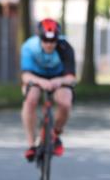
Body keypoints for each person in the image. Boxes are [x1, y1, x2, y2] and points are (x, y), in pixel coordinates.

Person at [20, 18, 76, 161]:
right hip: (36, 76)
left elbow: (71, 78)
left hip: (58, 77)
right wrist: (40, 82)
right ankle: (31, 144)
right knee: (30, 100)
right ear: (40, 38)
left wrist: (59, 81)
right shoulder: (29, 47)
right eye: (45, 40)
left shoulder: (65, 47)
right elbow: (25, 75)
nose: (49, 44)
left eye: (53, 41)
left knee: (65, 102)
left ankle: (55, 133)